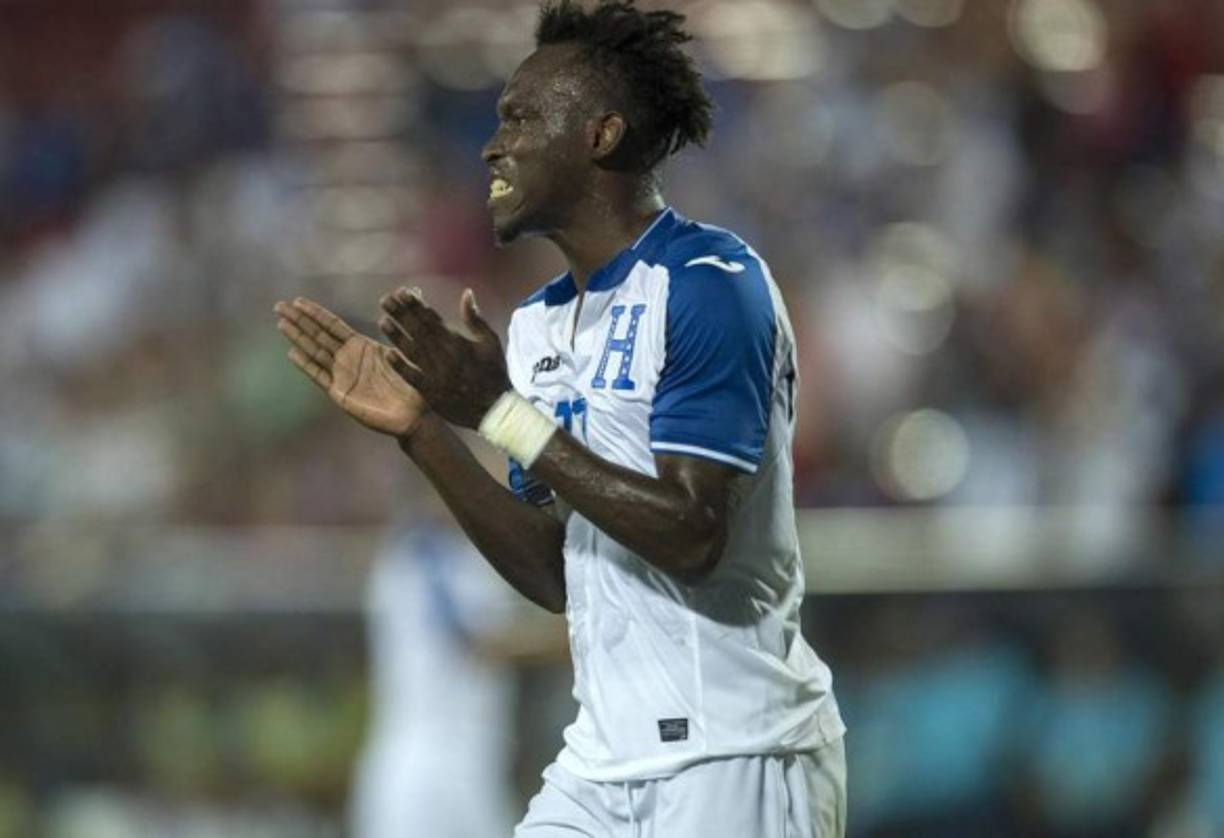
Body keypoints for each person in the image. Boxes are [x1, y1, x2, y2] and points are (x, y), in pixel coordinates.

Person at [274, 1, 846, 834]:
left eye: (520, 118)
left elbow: (693, 533)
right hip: (599, 762)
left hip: (739, 752)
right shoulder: (539, 327)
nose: (492, 146)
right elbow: (555, 575)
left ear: (600, 135)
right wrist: (425, 434)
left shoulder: (710, 283)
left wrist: (500, 413)